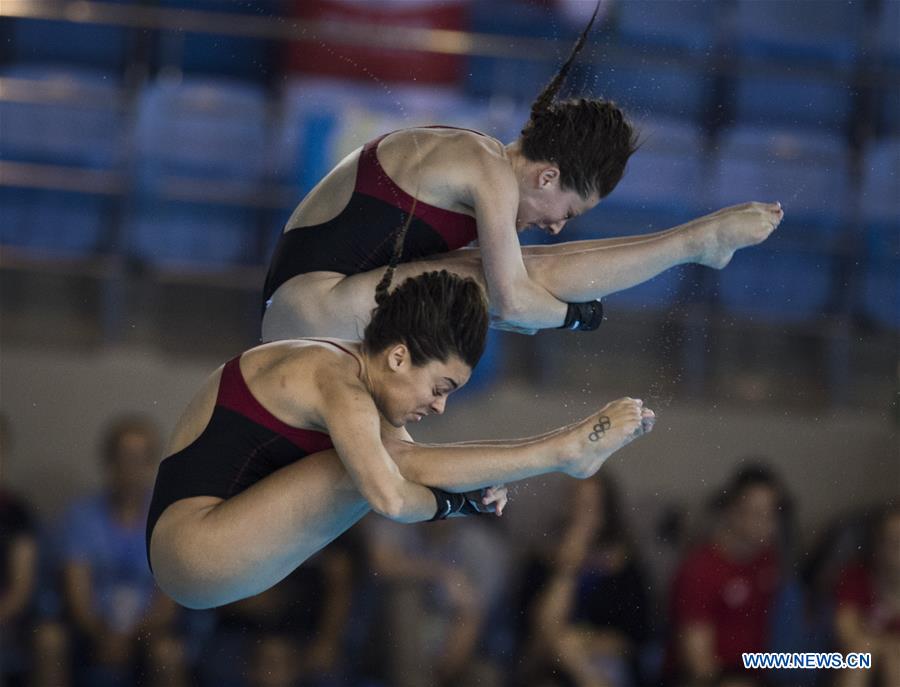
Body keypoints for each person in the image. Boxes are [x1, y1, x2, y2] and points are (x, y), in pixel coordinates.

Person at [147, 257, 656, 610]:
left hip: (218, 548)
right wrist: (459, 501)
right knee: (368, 471)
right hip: (194, 552)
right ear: (397, 356)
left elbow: (421, 468)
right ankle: (565, 449)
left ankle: (565, 451)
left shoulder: (368, 389)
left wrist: (462, 494)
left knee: (391, 461)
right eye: (439, 387)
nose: (439, 405)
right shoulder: (336, 383)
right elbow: (392, 497)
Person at [261, 4, 783, 342]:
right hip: (306, 312)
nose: (559, 225)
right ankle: (695, 242)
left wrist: (556, 308)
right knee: (509, 276)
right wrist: (580, 315)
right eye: (568, 212)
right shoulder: (482, 165)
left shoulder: (479, 163)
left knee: (516, 268)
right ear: (547, 177)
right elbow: (512, 302)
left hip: (319, 314)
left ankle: (695, 242)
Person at [56, 415, 189, 687]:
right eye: (123, 457)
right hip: (90, 631)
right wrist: (103, 634)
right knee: (48, 640)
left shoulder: (168, 518)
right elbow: (77, 594)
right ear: (109, 461)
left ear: (153, 463)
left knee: (169, 654)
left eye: (140, 458)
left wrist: (132, 638)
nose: (131, 467)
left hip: (149, 633)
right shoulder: (81, 516)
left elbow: (168, 600)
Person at [666, 463, 786, 685]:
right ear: (733, 511)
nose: (768, 524)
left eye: (772, 514)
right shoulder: (701, 569)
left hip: (755, 676)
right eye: (758, 514)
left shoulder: (768, 560)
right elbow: (699, 666)